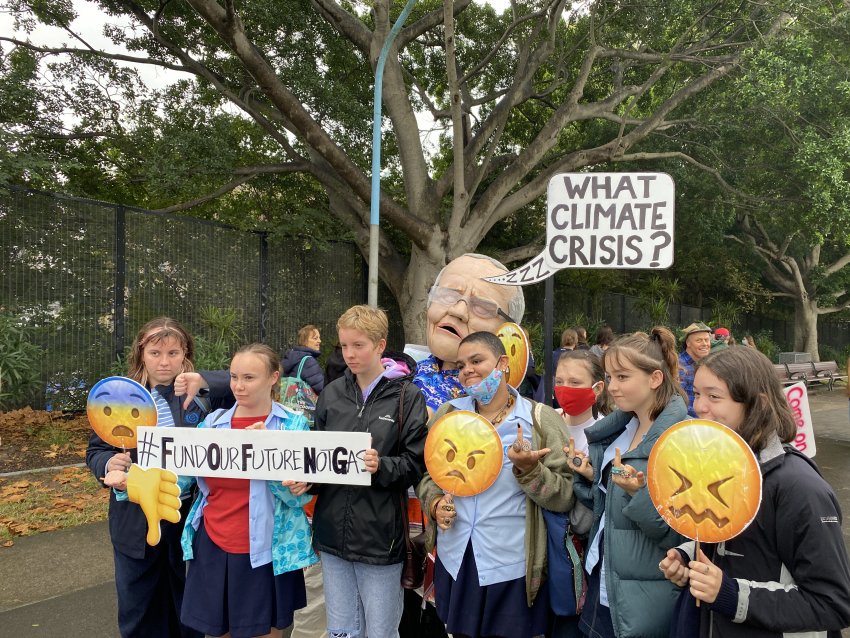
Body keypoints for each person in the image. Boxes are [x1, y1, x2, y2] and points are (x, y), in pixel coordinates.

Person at [660, 346, 850, 637]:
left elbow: (833, 603)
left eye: (714, 396)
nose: (699, 407)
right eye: (697, 394)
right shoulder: (718, 467)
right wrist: (688, 557)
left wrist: (731, 594)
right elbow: (739, 546)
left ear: (757, 404)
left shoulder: (798, 488)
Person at [417, 331, 574, 638]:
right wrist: (435, 504)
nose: (468, 370)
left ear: (502, 363)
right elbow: (428, 477)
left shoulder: (538, 420)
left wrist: (530, 470)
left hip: (512, 566)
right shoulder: (450, 416)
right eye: (462, 365)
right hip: (457, 559)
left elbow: (566, 496)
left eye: (477, 360)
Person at [86, 317, 234, 638]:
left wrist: (203, 379)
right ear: (141, 354)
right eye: (155, 353)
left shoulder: (203, 396)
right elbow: (97, 450)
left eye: (173, 353)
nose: (164, 362)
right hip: (134, 522)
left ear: (186, 355)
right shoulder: (120, 396)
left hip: (188, 520)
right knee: (139, 611)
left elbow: (245, 382)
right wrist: (108, 465)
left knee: (189, 611)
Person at [288, 305, 428, 638]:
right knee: (340, 630)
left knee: (380, 632)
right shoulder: (333, 394)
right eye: (344, 346)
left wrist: (382, 466)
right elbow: (320, 457)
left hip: (381, 538)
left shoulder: (407, 397)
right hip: (332, 533)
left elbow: (416, 463)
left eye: (358, 345)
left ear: (380, 346)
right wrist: (309, 480)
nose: (350, 354)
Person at [179, 343, 316, 638]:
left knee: (264, 633)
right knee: (217, 633)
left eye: (249, 378)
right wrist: (132, 481)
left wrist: (270, 452)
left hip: (267, 551)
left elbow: (301, 496)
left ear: (273, 378)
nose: (239, 386)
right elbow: (179, 480)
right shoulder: (211, 426)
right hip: (213, 545)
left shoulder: (294, 426)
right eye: (234, 377)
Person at [566, 327, 688, 638]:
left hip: (641, 597)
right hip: (603, 577)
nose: (612, 387)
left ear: (655, 379)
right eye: (609, 377)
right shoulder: (622, 427)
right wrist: (591, 478)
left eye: (622, 377)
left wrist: (639, 494)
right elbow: (608, 509)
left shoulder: (682, 441)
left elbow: (679, 535)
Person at [413, 253, 525, 416]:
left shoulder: (508, 409)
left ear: (508, 332)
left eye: (481, 307)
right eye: (447, 295)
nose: (458, 311)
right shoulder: (398, 375)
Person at [550, 349, 611, 637]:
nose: (565, 389)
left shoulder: (604, 434)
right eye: (559, 380)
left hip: (575, 554)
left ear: (597, 388)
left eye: (575, 382)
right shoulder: (545, 422)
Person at [678, 322, 712, 417]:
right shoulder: (680, 366)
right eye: (699, 340)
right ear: (688, 343)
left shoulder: (706, 364)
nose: (705, 344)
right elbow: (675, 404)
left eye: (707, 340)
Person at [282, 324, 325, 395]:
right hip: (303, 404)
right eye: (315, 338)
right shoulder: (308, 361)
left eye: (319, 338)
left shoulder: (292, 357)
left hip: (288, 402)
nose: (319, 341)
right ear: (304, 341)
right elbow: (321, 388)